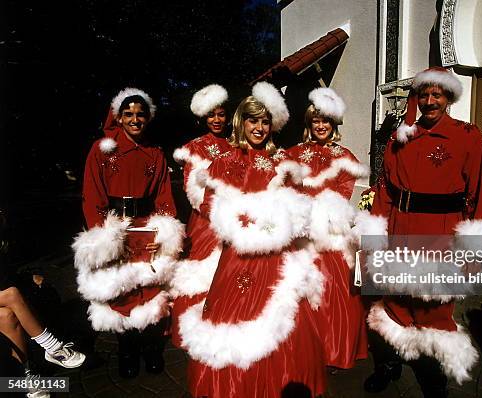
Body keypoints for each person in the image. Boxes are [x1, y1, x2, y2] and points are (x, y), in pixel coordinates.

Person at [364, 67, 482, 397]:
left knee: (433, 309)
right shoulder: (400, 138)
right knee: (394, 302)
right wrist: (374, 234)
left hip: (440, 234)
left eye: (437, 95)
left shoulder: (466, 135)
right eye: (424, 94)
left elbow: (478, 192)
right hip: (400, 229)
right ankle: (389, 362)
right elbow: (385, 188)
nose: (430, 101)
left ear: (448, 99)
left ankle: (433, 377)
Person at [179, 82, 326, 397]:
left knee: (286, 322)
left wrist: (283, 219)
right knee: (231, 318)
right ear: (241, 122)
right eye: (252, 120)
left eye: (264, 121)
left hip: (277, 256)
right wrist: (243, 221)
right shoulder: (225, 160)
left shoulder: (283, 162)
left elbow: (300, 205)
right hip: (240, 256)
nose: (259, 127)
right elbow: (209, 205)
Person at [72, 88, 184, 378]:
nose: (135, 119)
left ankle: (150, 349)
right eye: (129, 114)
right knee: (121, 289)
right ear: (119, 118)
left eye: (140, 114)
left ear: (148, 118)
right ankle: (127, 349)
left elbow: (162, 193)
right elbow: (92, 193)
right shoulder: (102, 149)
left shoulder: (155, 152)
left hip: (145, 225)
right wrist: (104, 235)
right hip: (115, 225)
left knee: (147, 288)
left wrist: (164, 229)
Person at [287, 87, 370, 370]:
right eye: (316, 121)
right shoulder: (294, 154)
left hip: (332, 233)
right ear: (309, 124)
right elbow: (285, 189)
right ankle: (301, 349)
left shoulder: (344, 156)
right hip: (301, 232)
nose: (321, 126)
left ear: (333, 124)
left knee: (336, 288)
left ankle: (333, 350)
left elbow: (343, 194)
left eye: (326, 121)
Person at [169, 84, 232, 349]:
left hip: (233, 219)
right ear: (203, 118)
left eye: (221, 114)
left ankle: (220, 323)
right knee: (199, 273)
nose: (217, 120)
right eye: (211, 115)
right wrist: (215, 210)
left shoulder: (235, 144)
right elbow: (193, 190)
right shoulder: (194, 147)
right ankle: (191, 328)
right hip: (205, 221)